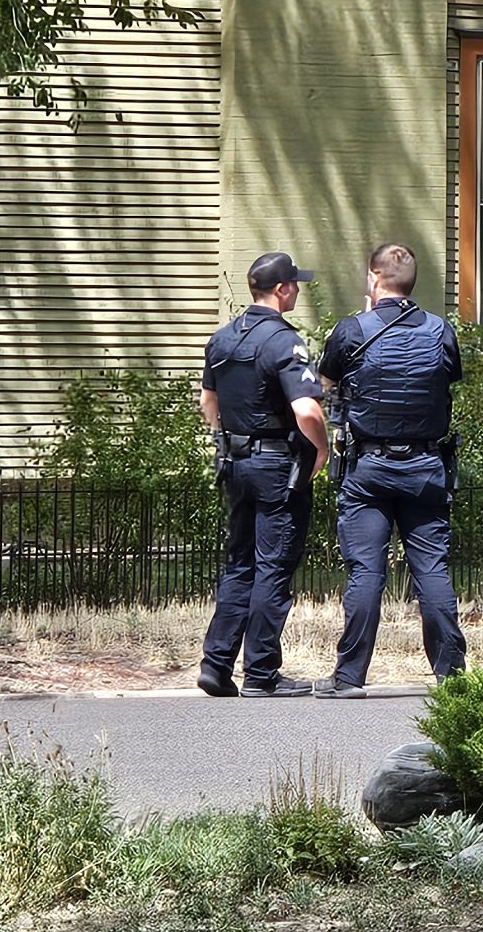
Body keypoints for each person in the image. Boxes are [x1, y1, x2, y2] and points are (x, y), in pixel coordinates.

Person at [315, 243, 468, 697]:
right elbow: (447, 379)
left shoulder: (350, 331)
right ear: (411, 282)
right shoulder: (441, 331)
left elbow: (324, 388)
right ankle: (451, 678)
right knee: (432, 572)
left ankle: (348, 678)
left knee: (366, 572)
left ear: (373, 278)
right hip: (425, 465)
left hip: (369, 467)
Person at [198, 251, 329, 698]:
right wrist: (322, 447)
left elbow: (208, 406)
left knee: (240, 564)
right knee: (273, 567)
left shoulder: (222, 339)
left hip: (235, 462)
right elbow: (307, 409)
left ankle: (216, 665)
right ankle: (261, 673)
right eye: (294, 284)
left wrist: (235, 438)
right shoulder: (282, 342)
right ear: (282, 289)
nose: (296, 290)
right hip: (277, 465)